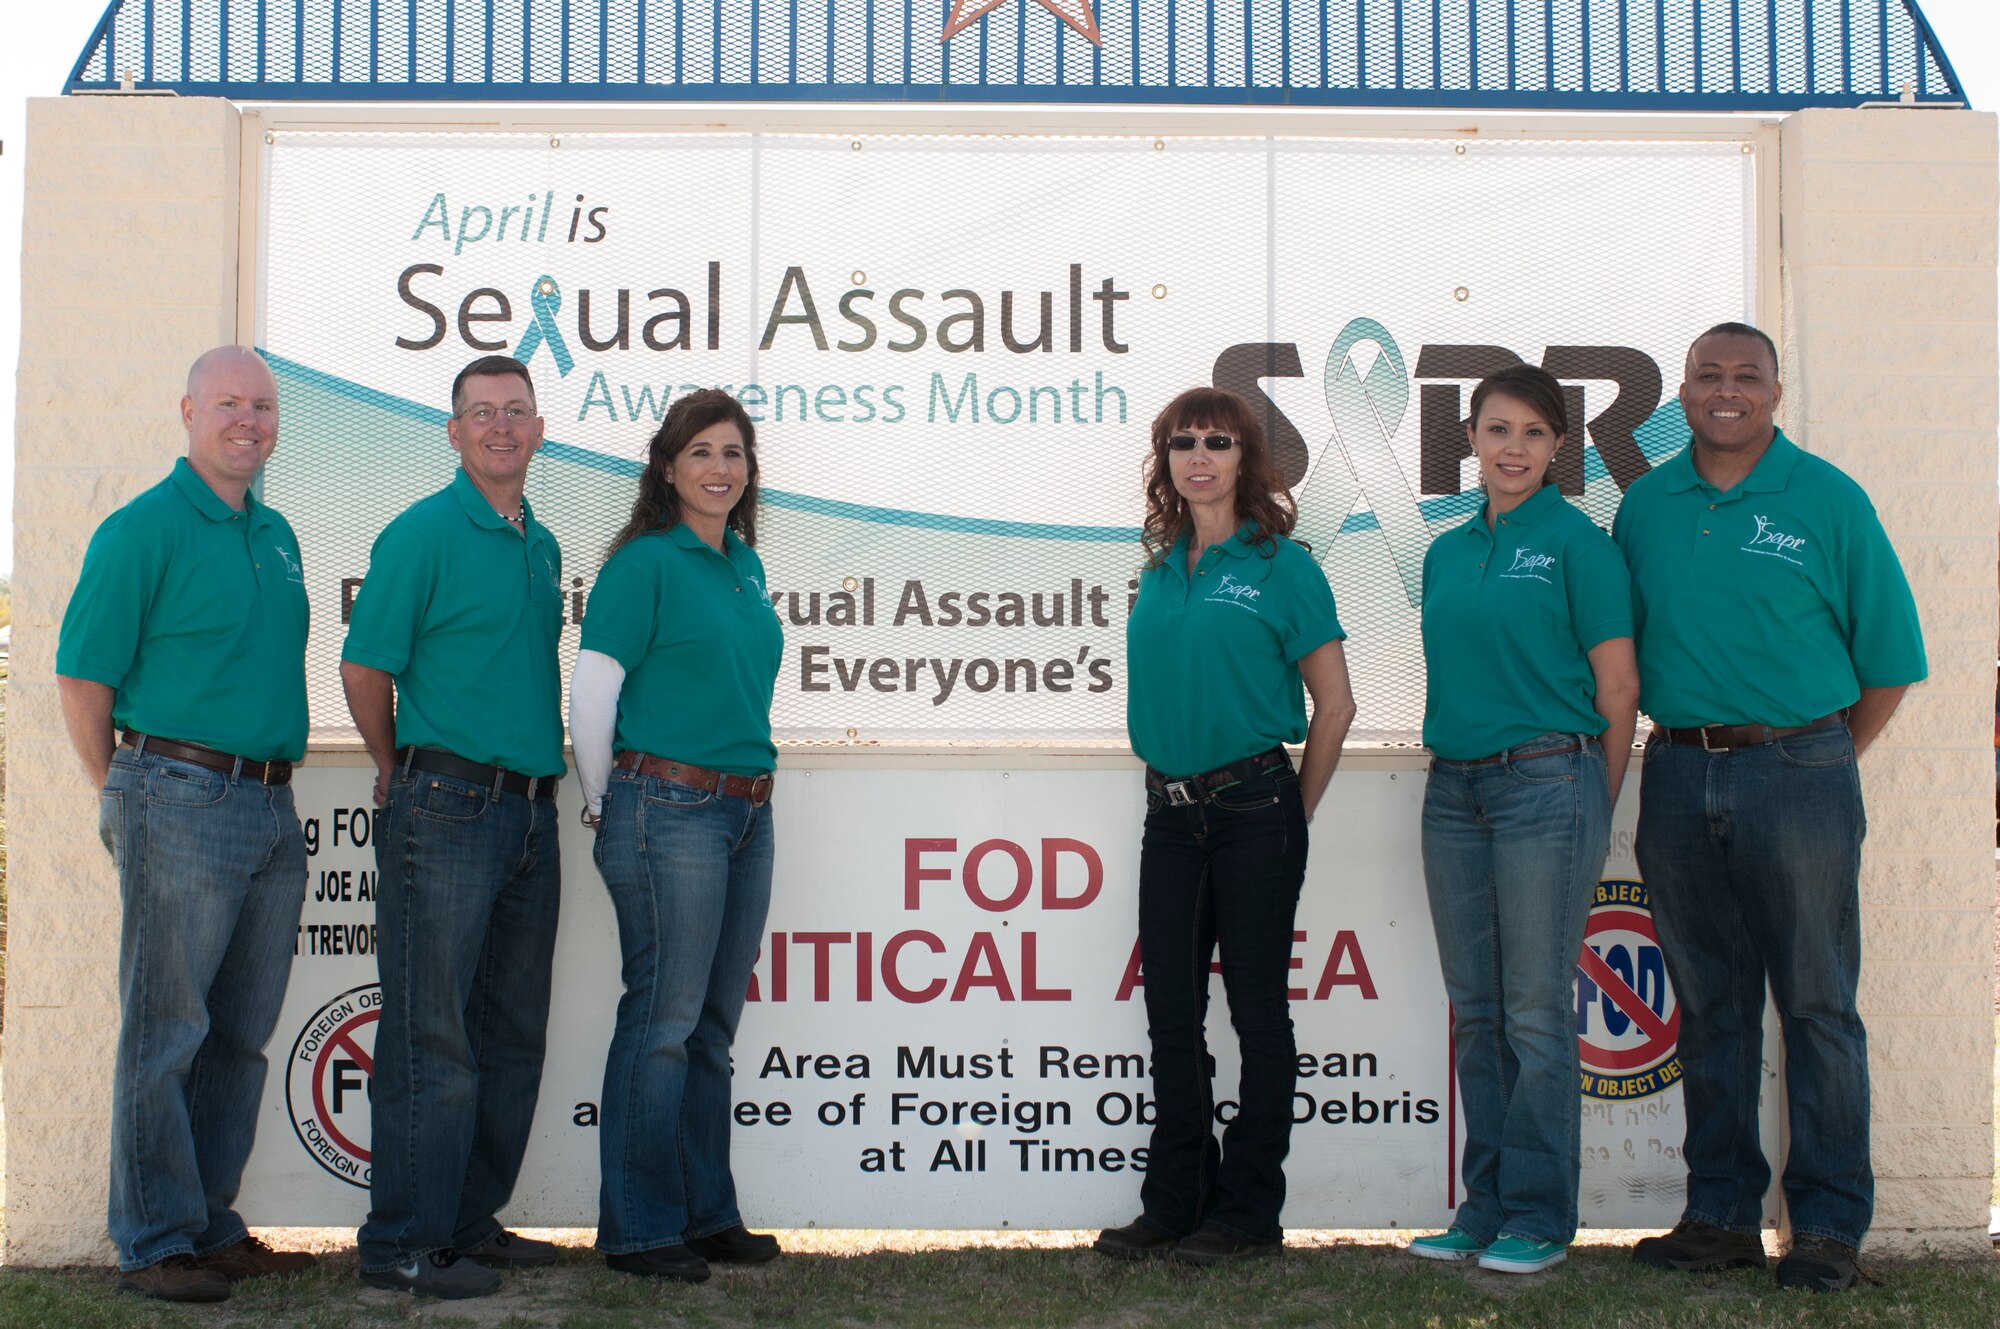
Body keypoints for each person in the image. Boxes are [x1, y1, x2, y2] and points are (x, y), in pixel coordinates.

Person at [1613, 323, 1926, 1292]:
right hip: (1673, 773)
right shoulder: (1643, 505)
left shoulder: (1827, 499)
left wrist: (1815, 755)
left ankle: (1826, 1231)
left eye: (1744, 376)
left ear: (1775, 392)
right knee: (1708, 1008)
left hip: (1797, 771)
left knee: (1817, 1005)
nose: (1725, 391)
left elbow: (1885, 664)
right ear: (1680, 391)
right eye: (1706, 375)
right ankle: (1717, 1217)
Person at [56, 346, 317, 1302]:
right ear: (188, 412)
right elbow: (82, 675)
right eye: (228, 404)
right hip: (178, 793)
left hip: (269, 805)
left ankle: (209, 1221)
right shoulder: (144, 529)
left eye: (262, 405)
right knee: (166, 1029)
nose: (248, 420)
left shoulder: (277, 530)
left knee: (238, 1034)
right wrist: (120, 788)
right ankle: (154, 1239)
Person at [1093, 386, 1356, 1266]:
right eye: (1182, 441)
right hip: (1168, 816)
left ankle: (1247, 1214)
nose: (1199, 455)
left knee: (1257, 1014)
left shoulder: (1286, 565)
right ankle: (1176, 1201)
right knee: (1171, 1012)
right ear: (1165, 460)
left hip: (1255, 809)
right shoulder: (1159, 568)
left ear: (1247, 458)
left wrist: (1293, 811)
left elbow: (1336, 705)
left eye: (1218, 440)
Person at [1404, 365, 1639, 1274]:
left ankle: (1539, 1214)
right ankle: (1485, 1205)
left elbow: (1619, 689)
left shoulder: (1581, 546)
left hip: (1550, 781)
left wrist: (1590, 798)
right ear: (1469, 438)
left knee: (1536, 1010)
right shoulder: (1445, 550)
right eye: (1497, 429)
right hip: (1453, 789)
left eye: (1534, 433)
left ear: (1558, 448)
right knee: (1476, 1010)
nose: (1513, 448)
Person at [342, 355, 567, 1299]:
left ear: (539, 427)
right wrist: (396, 767)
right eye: (483, 413)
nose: (501, 427)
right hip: (445, 805)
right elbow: (365, 667)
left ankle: (469, 1222)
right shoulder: (422, 533)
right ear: (454, 430)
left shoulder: (540, 543)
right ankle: (402, 1239)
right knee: (431, 1036)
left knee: (510, 1032)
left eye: (517, 411)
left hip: (529, 812)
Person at [568, 389, 784, 1282]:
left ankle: (705, 1214)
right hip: (667, 809)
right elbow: (590, 693)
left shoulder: (744, 567)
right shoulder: (644, 565)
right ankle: (638, 1227)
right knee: (661, 1021)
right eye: (700, 452)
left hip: (746, 811)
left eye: (733, 453)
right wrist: (601, 798)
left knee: (708, 1030)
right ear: (666, 467)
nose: (719, 469)